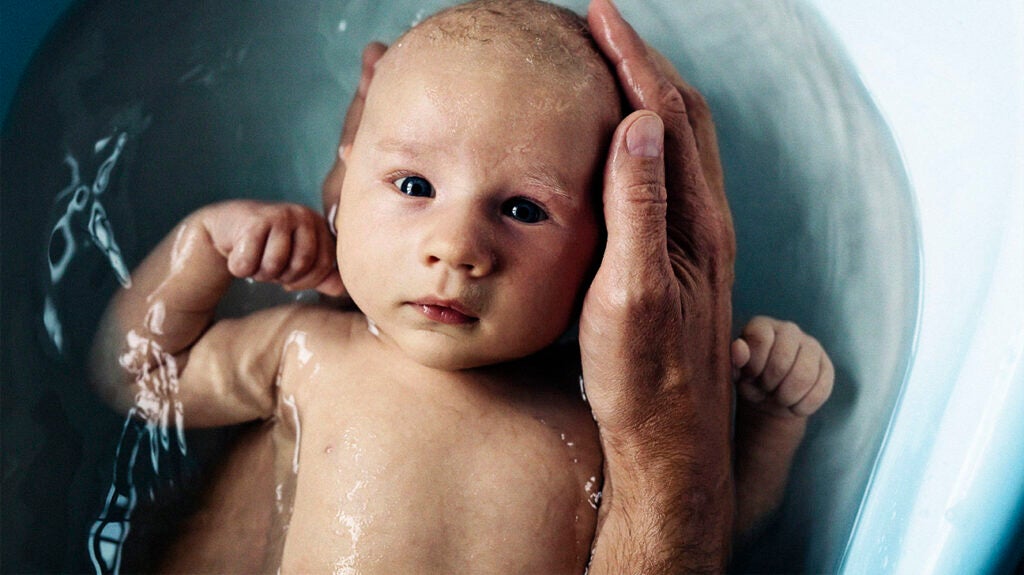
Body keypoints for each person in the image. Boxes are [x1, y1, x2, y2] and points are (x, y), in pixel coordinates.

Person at [90, 0, 832, 572]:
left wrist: (769, 422)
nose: (456, 247)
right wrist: (203, 249)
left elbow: (709, 527)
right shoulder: (310, 348)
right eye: (413, 184)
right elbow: (141, 378)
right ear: (349, 174)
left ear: (609, 247)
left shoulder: (605, 417)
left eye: (522, 210)